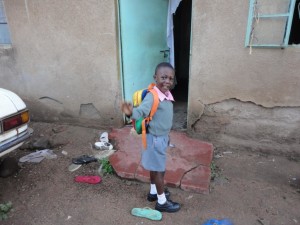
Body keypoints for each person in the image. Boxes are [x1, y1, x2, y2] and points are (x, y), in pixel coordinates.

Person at [121, 62, 181, 213]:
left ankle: (153, 193)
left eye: (170, 78)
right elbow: (140, 112)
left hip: (160, 137)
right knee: (159, 171)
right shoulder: (152, 96)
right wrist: (129, 112)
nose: (167, 81)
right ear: (155, 77)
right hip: (154, 139)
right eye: (163, 77)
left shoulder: (166, 94)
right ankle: (162, 202)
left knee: (156, 168)